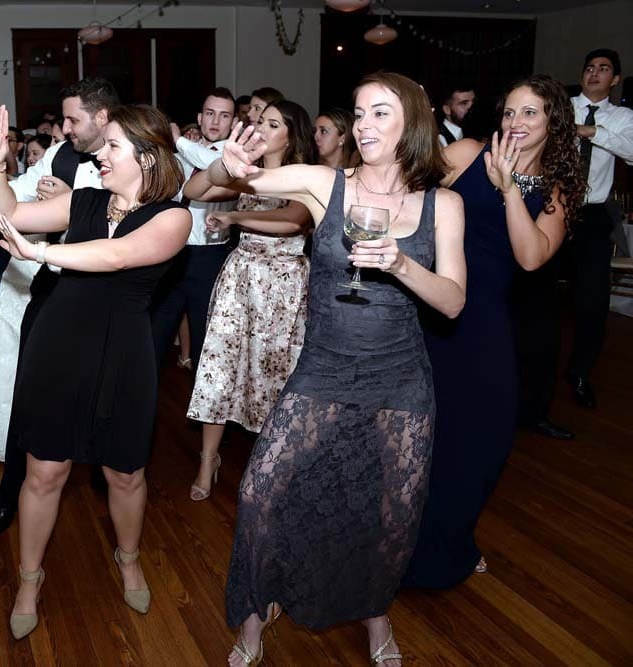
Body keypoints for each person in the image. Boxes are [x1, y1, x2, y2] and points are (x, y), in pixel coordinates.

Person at [210, 72, 467, 666]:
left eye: (380, 112)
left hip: (400, 377)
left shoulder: (444, 205)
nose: (364, 124)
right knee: (259, 492)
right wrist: (231, 163)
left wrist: (401, 264)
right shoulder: (324, 183)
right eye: (360, 112)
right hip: (323, 369)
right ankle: (254, 611)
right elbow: (241, 179)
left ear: (412, 122)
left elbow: (453, 301)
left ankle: (376, 614)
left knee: (393, 513)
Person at [0, 102, 191, 640]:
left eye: (113, 146)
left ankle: (128, 558)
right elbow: (12, 213)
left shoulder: (173, 217)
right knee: (45, 471)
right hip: (60, 341)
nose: (101, 155)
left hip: (124, 352)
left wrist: (40, 254)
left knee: (125, 473)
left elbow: (116, 256)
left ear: (147, 158)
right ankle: (30, 579)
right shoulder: (84, 200)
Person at [403, 75, 584, 588]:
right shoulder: (466, 153)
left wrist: (509, 189)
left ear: (553, 122)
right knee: (423, 435)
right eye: (509, 112)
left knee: (485, 438)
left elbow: (530, 257)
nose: (515, 122)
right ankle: (399, 546)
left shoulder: (555, 189)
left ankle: (451, 539)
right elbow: (404, 190)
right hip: (433, 307)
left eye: (530, 113)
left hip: (487, 323)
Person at [0, 77, 115, 526]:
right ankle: (8, 496)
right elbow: (17, 198)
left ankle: (106, 481)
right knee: (30, 394)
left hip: (112, 300)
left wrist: (74, 203)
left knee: (107, 398)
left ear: (102, 116)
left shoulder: (136, 158)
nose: (65, 128)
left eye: (73, 119)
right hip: (54, 287)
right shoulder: (60, 154)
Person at [181, 100, 315, 501]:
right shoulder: (248, 171)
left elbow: (293, 220)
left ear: (291, 135)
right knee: (219, 365)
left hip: (283, 284)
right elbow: (192, 190)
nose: (261, 129)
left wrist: (235, 218)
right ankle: (208, 460)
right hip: (241, 276)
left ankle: (273, 463)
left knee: (274, 372)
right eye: (260, 122)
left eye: (272, 124)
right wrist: (224, 166)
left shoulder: (304, 176)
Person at [565, 49, 633, 408]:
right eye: (589, 67)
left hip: (592, 216)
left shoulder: (623, 117)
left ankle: (580, 373)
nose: (594, 73)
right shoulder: (561, 107)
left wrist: (592, 131)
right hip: (551, 209)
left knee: (592, 301)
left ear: (615, 79)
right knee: (535, 294)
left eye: (603, 69)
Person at [152, 88, 238, 371]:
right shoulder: (184, 152)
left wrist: (179, 140)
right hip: (172, 252)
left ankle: (201, 401)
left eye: (224, 116)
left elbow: (215, 166)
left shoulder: (233, 155)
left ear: (234, 122)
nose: (216, 121)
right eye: (210, 113)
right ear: (200, 117)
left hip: (209, 258)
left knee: (205, 342)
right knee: (155, 334)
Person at [435, 83, 476, 147]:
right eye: (464, 103)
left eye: (473, 102)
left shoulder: (471, 132)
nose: (470, 107)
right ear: (447, 109)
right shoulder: (440, 140)